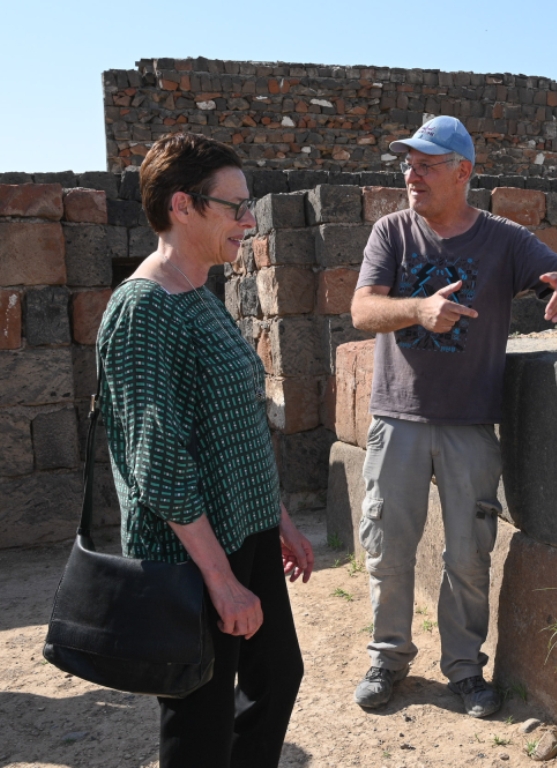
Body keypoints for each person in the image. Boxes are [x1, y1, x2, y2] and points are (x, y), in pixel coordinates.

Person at [349, 116, 557, 717]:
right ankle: (388, 658)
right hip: (398, 419)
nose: (412, 174)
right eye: (407, 164)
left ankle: (463, 669)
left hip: (469, 425)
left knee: (467, 555)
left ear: (463, 172)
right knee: (388, 548)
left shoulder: (504, 239)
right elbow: (361, 310)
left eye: (426, 165)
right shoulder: (392, 233)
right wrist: (418, 310)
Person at [96, 132, 314, 768]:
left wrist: (280, 520)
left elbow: (235, 427)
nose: (249, 220)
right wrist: (219, 579)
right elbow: (156, 460)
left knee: (277, 677)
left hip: (245, 532)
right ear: (182, 205)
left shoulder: (199, 294)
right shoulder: (144, 309)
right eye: (236, 207)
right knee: (201, 720)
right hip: (189, 557)